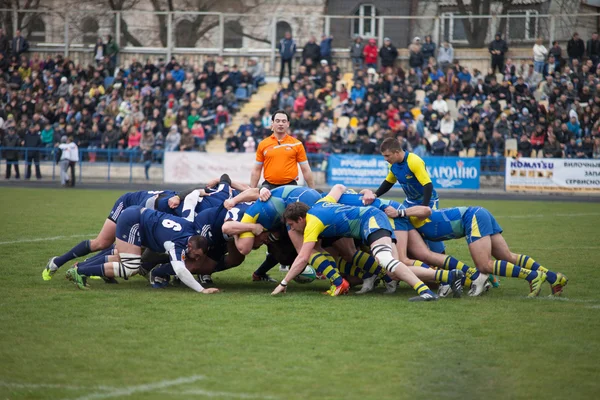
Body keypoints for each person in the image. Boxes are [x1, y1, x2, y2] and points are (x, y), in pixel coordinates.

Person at [274, 184, 439, 302]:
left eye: (292, 224)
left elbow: (303, 256)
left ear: (301, 218)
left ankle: (434, 285)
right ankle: (444, 279)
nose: (292, 229)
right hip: (373, 219)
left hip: (372, 220)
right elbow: (338, 186)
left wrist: (283, 282)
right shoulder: (319, 205)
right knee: (391, 268)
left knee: (387, 261)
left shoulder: (312, 224)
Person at [406, 206, 568, 297]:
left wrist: (401, 212)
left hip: (472, 217)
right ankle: (553, 278)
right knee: (507, 256)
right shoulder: (409, 229)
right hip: (478, 213)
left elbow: (426, 211)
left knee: (484, 265)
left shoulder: (406, 218)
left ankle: (533, 277)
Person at [65, 206, 220, 295]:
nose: (196, 258)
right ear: (191, 246)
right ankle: (80, 271)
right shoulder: (177, 244)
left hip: (139, 217)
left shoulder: (189, 228)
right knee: (131, 267)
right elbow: (180, 270)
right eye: (197, 255)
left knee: (125, 259)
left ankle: (81, 269)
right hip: (134, 220)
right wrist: (201, 290)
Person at [362, 137, 445, 254]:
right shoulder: (393, 165)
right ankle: (414, 256)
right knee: (405, 227)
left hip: (428, 201)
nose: (385, 159)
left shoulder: (414, 161)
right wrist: (375, 195)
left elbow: (428, 185)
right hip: (410, 201)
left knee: (430, 231)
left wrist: (424, 207)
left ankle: (442, 259)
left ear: (396, 153)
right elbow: (389, 182)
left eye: (387, 156)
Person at [250, 110, 314, 189]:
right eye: (277, 121)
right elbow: (256, 170)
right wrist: (252, 190)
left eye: (284, 121)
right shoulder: (263, 144)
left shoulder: (297, 144)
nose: (280, 123)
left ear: (288, 124)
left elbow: (306, 170)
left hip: (291, 186)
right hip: (268, 186)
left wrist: (312, 190)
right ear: (272, 123)